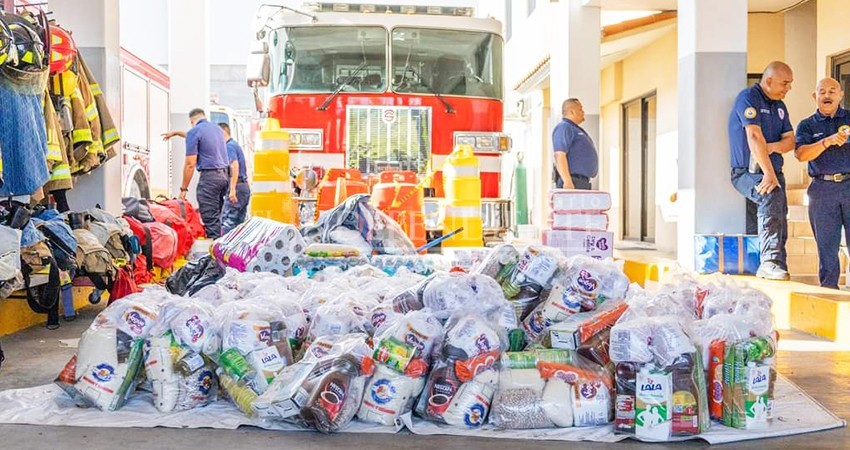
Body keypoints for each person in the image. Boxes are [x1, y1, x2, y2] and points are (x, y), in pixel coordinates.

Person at [728, 61, 796, 280]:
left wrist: (771, 147)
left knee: (776, 216)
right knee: (770, 196)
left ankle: (769, 263)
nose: (788, 88)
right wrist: (768, 173)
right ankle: (770, 262)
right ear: (768, 81)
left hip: (773, 171)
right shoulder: (748, 98)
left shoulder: (780, 106)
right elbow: (754, 136)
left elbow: (790, 142)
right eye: (785, 83)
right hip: (747, 173)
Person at [794, 78, 850, 289]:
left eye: (832, 91)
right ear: (814, 96)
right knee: (827, 247)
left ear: (841, 94)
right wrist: (827, 141)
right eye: (822, 92)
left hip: (849, 185)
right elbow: (801, 154)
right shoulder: (807, 125)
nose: (827, 96)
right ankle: (830, 291)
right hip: (822, 190)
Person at [162, 108, 235, 239]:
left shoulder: (194, 131)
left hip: (210, 179)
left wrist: (183, 189)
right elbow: (199, 136)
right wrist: (177, 133)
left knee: (210, 220)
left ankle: (215, 255)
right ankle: (220, 246)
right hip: (224, 177)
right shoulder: (217, 129)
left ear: (192, 121)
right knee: (216, 217)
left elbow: (190, 164)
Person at [552, 98, 598, 190]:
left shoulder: (574, 128)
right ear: (572, 112)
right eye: (580, 109)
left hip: (581, 182)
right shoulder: (564, 127)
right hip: (572, 182)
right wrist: (567, 181)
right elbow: (559, 155)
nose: (583, 112)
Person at [219, 122, 251, 234]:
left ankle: (224, 249)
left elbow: (234, 165)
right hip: (243, 187)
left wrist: (232, 189)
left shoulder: (229, 146)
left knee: (228, 221)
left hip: (237, 187)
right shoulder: (235, 145)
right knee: (239, 225)